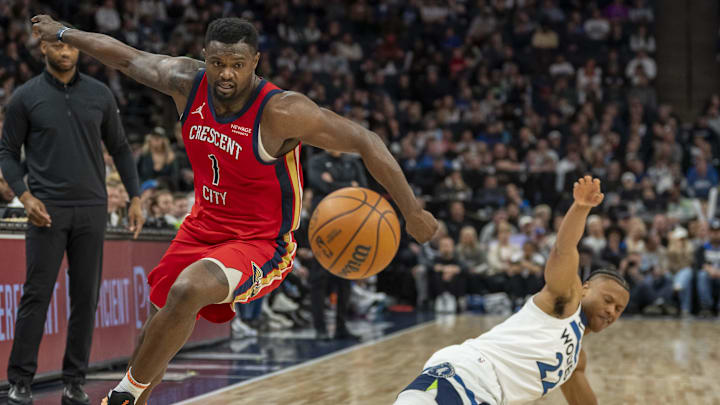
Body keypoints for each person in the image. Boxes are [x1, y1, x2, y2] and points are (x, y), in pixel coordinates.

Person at [30, 15, 438, 405]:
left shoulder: (282, 111)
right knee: (157, 324)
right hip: (201, 225)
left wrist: (413, 213)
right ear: (204, 56)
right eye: (217, 63)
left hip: (261, 241)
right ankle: (135, 396)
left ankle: (125, 396)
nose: (226, 74)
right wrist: (63, 32)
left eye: (237, 65)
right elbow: (125, 56)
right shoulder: (185, 83)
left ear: (255, 62)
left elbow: (366, 140)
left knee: (188, 289)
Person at [0, 23, 144, 405]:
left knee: (86, 297)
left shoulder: (99, 95)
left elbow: (122, 147)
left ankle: (74, 381)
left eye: (70, 47)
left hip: (92, 209)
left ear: (79, 50)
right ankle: (20, 382)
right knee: (36, 295)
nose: (65, 53)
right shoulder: (25, 98)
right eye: (56, 46)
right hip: (46, 209)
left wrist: (135, 197)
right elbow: (7, 154)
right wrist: (25, 196)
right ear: (42, 48)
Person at [395, 176, 630, 405]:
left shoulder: (575, 357)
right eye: (608, 300)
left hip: (488, 394)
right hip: (466, 376)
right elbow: (564, 250)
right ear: (585, 289)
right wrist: (581, 208)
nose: (611, 311)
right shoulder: (567, 301)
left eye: (619, 309)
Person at [306, 150, 368, 340]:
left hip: (348, 224)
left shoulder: (352, 162)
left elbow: (363, 188)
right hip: (323, 226)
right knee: (319, 278)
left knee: (345, 277)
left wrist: (332, 184)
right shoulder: (316, 161)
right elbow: (318, 183)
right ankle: (320, 328)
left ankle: (342, 327)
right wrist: (349, 185)